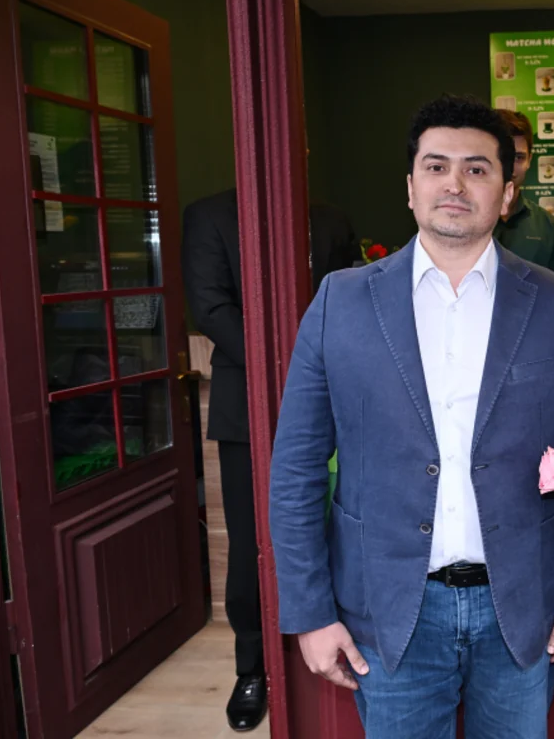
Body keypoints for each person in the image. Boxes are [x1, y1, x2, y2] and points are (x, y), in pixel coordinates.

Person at [268, 95, 554, 738]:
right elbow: (295, 469)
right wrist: (310, 612)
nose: (455, 183)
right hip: (387, 611)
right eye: (436, 166)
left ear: (507, 195)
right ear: (410, 187)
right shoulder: (341, 301)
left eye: (477, 169)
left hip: (522, 613)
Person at [182, 191, 357, 731]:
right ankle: (252, 667)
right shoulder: (209, 216)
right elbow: (210, 307)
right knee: (249, 540)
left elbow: (353, 296)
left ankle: (338, 641)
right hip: (247, 404)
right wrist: (291, 364)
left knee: (344, 523)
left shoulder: (328, 216)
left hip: (340, 395)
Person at [492, 110, 554, 273]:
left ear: (529, 160)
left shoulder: (551, 229)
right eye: (503, 157)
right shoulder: (461, 221)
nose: (510, 167)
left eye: (518, 158)